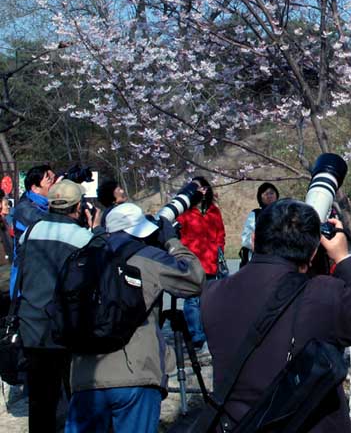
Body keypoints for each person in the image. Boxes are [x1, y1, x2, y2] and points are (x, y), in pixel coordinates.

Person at [201, 199, 351, 431]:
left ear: (253, 240)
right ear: (313, 252)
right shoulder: (322, 294)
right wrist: (344, 259)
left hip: (239, 425)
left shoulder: (212, 295)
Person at [66, 202, 205, 433]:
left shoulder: (82, 257)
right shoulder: (147, 257)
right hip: (136, 375)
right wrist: (171, 241)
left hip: (85, 376)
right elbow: (194, 279)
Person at [16, 179, 98, 432]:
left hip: (31, 326)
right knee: (75, 397)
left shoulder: (29, 234)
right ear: (77, 207)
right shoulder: (83, 239)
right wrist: (94, 228)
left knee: (40, 402)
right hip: (66, 330)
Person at [177, 175, 226, 348]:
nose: (202, 191)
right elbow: (178, 236)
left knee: (211, 298)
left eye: (204, 187)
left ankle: (212, 330)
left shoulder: (213, 210)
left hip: (211, 260)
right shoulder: (184, 213)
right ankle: (196, 334)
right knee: (192, 300)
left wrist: (219, 249)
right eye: (197, 188)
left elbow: (220, 233)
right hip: (192, 261)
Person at [9, 164, 56, 295]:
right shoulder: (25, 209)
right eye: (49, 180)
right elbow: (50, 226)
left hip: (43, 276)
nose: (54, 184)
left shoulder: (46, 205)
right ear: (35, 188)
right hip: (26, 281)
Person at [239, 182, 279, 268]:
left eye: (272, 193)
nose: (269, 196)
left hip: (279, 259)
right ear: (260, 197)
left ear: (276, 195)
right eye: (266, 194)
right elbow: (246, 239)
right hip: (258, 259)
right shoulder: (255, 214)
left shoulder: (284, 213)